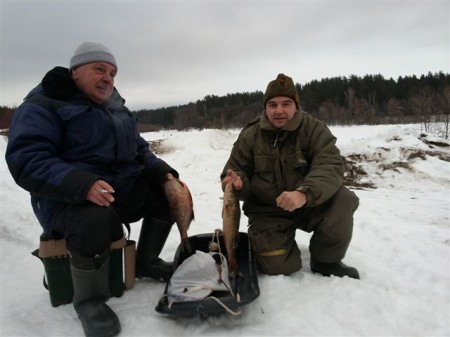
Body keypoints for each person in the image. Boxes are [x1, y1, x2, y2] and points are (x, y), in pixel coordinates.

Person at [5, 42, 191, 337]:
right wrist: (82, 184)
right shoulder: (45, 103)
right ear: (76, 72)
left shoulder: (115, 106)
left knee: (167, 194)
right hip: (65, 197)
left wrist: (161, 172)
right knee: (95, 219)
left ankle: (146, 263)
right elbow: (27, 158)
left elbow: (139, 148)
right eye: (99, 69)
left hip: (118, 190)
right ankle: (89, 301)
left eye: (113, 72)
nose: (108, 78)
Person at [221, 73, 360, 280]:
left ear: (296, 105)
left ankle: (326, 261)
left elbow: (330, 165)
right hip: (267, 211)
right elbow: (234, 170)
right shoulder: (250, 135)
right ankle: (274, 244)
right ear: (265, 108)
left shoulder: (314, 129)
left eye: (286, 103)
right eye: (272, 104)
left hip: (308, 204)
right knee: (278, 266)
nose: (279, 110)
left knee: (343, 200)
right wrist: (237, 183)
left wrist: (304, 193)